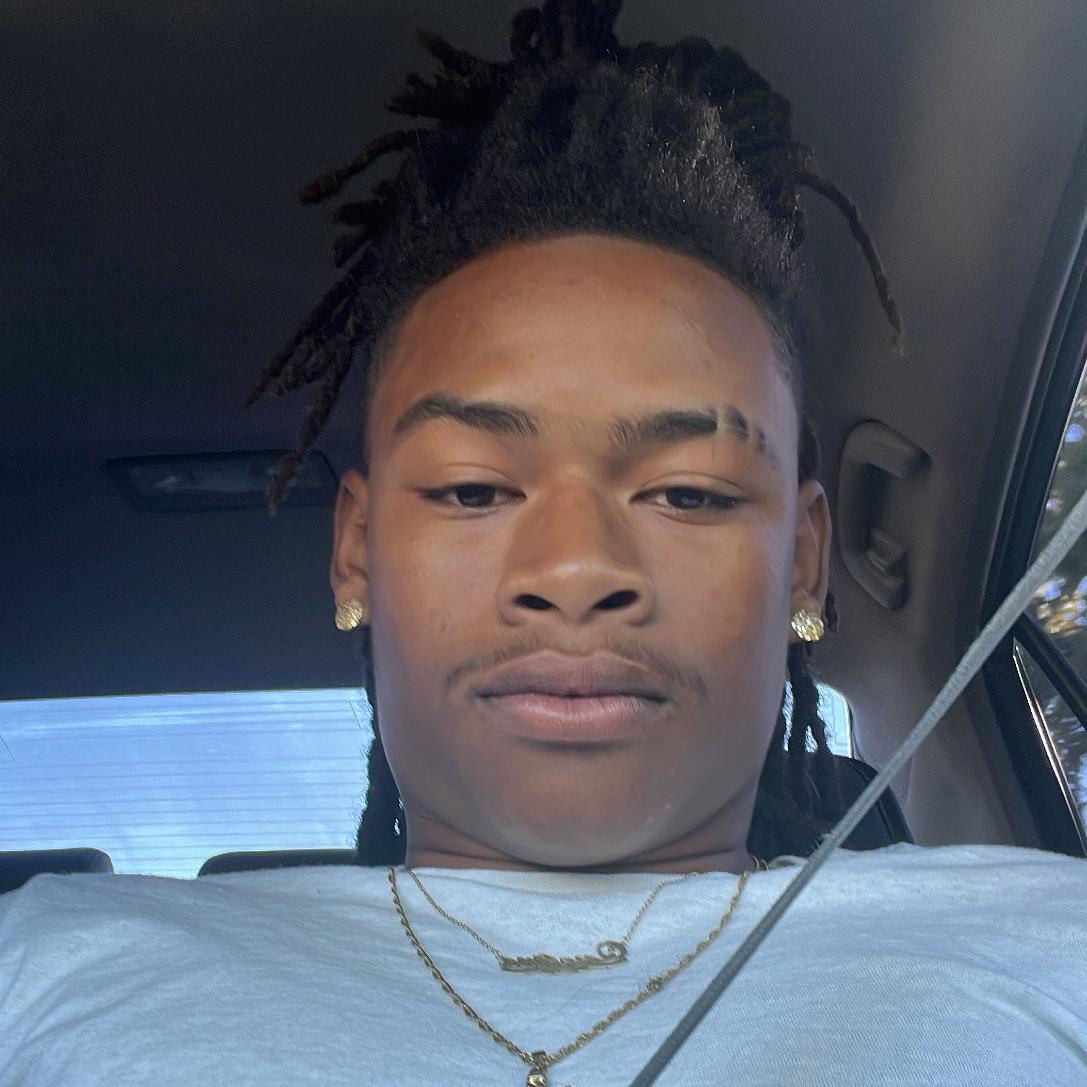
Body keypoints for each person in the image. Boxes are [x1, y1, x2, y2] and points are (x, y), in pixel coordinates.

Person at [2, 3, 1085, 1084]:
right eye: (473, 487)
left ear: (803, 562)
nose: (574, 569)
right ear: (357, 552)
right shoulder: (48, 958)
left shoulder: (1048, 940)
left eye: (687, 492)